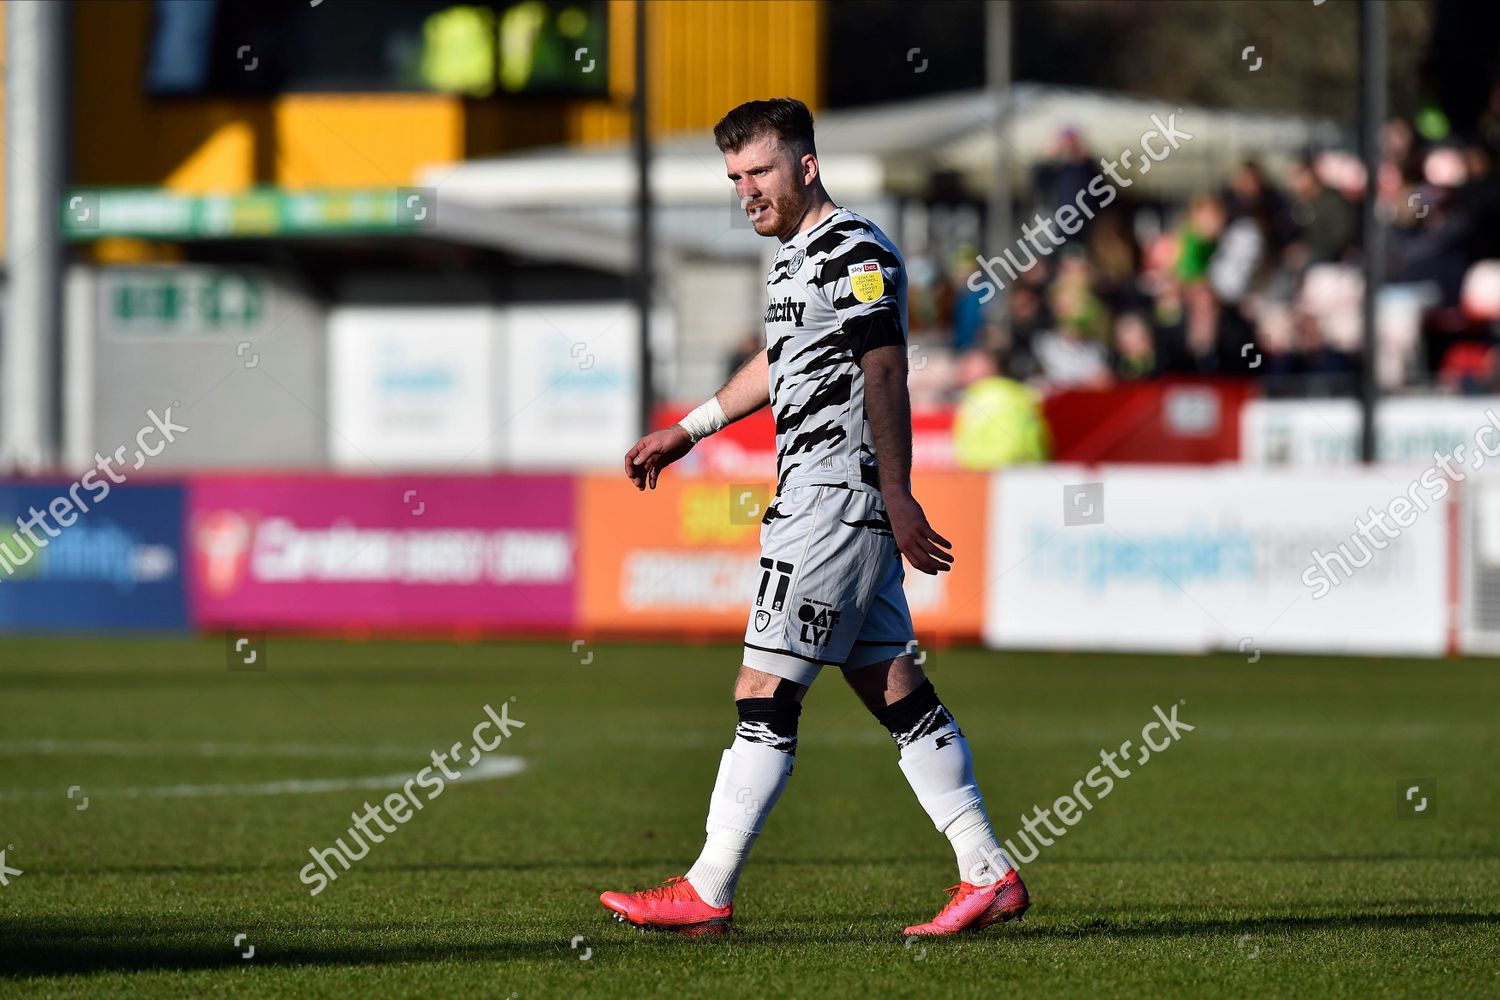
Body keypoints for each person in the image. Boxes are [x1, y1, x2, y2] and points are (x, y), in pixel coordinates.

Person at [603, 98, 1028, 937]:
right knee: (894, 689)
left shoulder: (853, 248)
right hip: (824, 499)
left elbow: (886, 367)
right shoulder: (794, 257)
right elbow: (780, 361)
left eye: (759, 172)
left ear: (806, 165)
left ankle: (708, 888)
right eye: (733, 178)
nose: (746, 191)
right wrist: (688, 430)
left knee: (763, 690)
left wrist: (898, 492)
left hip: (835, 501)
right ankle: (987, 872)